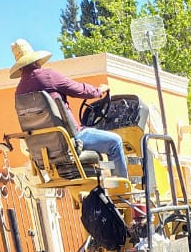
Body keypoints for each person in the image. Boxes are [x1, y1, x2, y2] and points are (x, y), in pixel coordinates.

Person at [10, 39, 128, 182]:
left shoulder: (19, 92)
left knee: (103, 144)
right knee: (115, 142)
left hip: (46, 148)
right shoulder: (48, 76)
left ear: (20, 68)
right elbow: (80, 90)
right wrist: (100, 90)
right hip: (71, 139)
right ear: (36, 61)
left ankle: (106, 180)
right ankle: (121, 188)